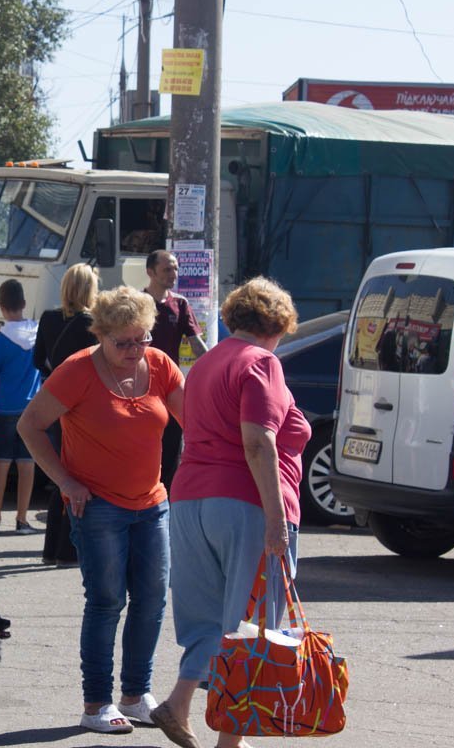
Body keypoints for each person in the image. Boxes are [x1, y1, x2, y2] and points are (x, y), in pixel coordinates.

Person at [150, 277, 310, 748]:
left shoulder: (205, 363)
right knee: (252, 625)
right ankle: (229, 743)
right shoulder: (261, 362)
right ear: (276, 323)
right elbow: (258, 442)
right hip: (245, 503)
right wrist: (276, 519)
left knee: (206, 620)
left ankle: (179, 703)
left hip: (191, 499)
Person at [18, 286, 184, 735]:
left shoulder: (160, 364)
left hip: (152, 503)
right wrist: (64, 481)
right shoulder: (77, 370)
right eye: (122, 342)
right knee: (107, 601)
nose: (134, 350)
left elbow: (196, 421)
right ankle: (96, 704)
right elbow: (30, 425)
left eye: (141, 339)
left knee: (152, 599)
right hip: (97, 506)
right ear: (101, 334)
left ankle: (136, 695)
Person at [31, 263, 100, 566]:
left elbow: (38, 360)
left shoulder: (48, 318)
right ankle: (68, 549)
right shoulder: (92, 323)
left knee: (61, 474)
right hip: (83, 405)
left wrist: (57, 374)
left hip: (54, 401)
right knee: (80, 473)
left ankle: (51, 549)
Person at [144, 250, 207, 490]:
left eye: (176, 269)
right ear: (150, 272)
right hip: (139, 387)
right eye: (167, 269)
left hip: (170, 389)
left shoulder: (180, 304)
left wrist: (218, 368)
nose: (174, 274)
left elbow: (197, 346)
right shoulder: (137, 302)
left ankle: (168, 499)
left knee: (171, 449)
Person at [0, 279, 39, 535]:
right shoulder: (37, 332)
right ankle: (22, 519)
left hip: (5, 407)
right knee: (27, 463)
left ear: (1, 306)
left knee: (1, 462)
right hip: (31, 408)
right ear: (24, 303)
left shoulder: (1, 337)